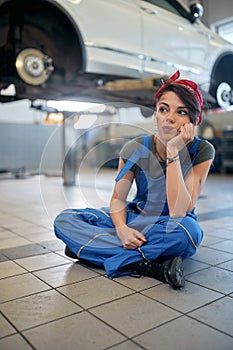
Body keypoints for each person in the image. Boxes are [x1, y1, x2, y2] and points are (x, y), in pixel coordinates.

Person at [54, 70, 215, 289]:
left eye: (181, 112)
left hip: (171, 224)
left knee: (189, 234)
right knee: (65, 220)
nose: (169, 117)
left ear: (193, 121)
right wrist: (121, 229)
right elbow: (118, 199)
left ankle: (90, 250)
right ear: (155, 113)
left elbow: (179, 210)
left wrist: (174, 151)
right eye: (163, 109)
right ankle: (149, 265)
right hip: (136, 216)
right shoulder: (135, 148)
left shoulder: (202, 151)